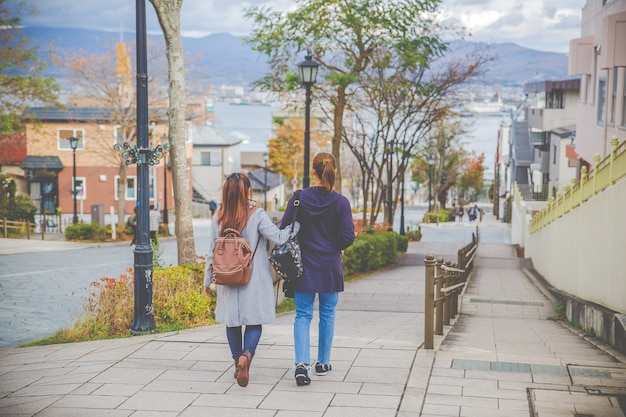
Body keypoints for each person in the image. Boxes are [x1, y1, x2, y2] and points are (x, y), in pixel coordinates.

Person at [203, 172, 298, 388]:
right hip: (253, 279)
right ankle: (247, 355)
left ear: (226, 193)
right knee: (254, 322)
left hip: (227, 278)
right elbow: (279, 237)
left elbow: (211, 252)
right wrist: (297, 226)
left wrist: (208, 280)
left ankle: (238, 361)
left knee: (232, 322)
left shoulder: (218, 217)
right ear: (247, 191)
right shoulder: (257, 215)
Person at [280, 152, 355, 386]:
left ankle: (302, 364)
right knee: (328, 314)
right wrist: (335, 246)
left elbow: (284, 229)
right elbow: (347, 237)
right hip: (330, 266)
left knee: (302, 315)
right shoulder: (342, 203)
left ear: (313, 172)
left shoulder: (298, 199)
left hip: (303, 266)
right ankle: (322, 363)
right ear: (333, 171)